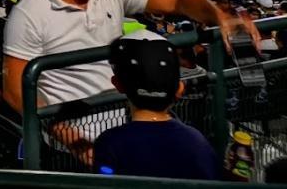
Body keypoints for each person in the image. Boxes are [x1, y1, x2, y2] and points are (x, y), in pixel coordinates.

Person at [3, 0, 260, 162]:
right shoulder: (29, 13)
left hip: (122, 131)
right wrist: (72, 140)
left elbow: (176, 1)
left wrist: (218, 15)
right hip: (68, 150)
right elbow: (15, 91)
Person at [93, 31, 220, 179]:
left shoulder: (109, 143)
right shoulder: (197, 141)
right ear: (179, 89)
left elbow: (105, 181)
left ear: (118, 84)